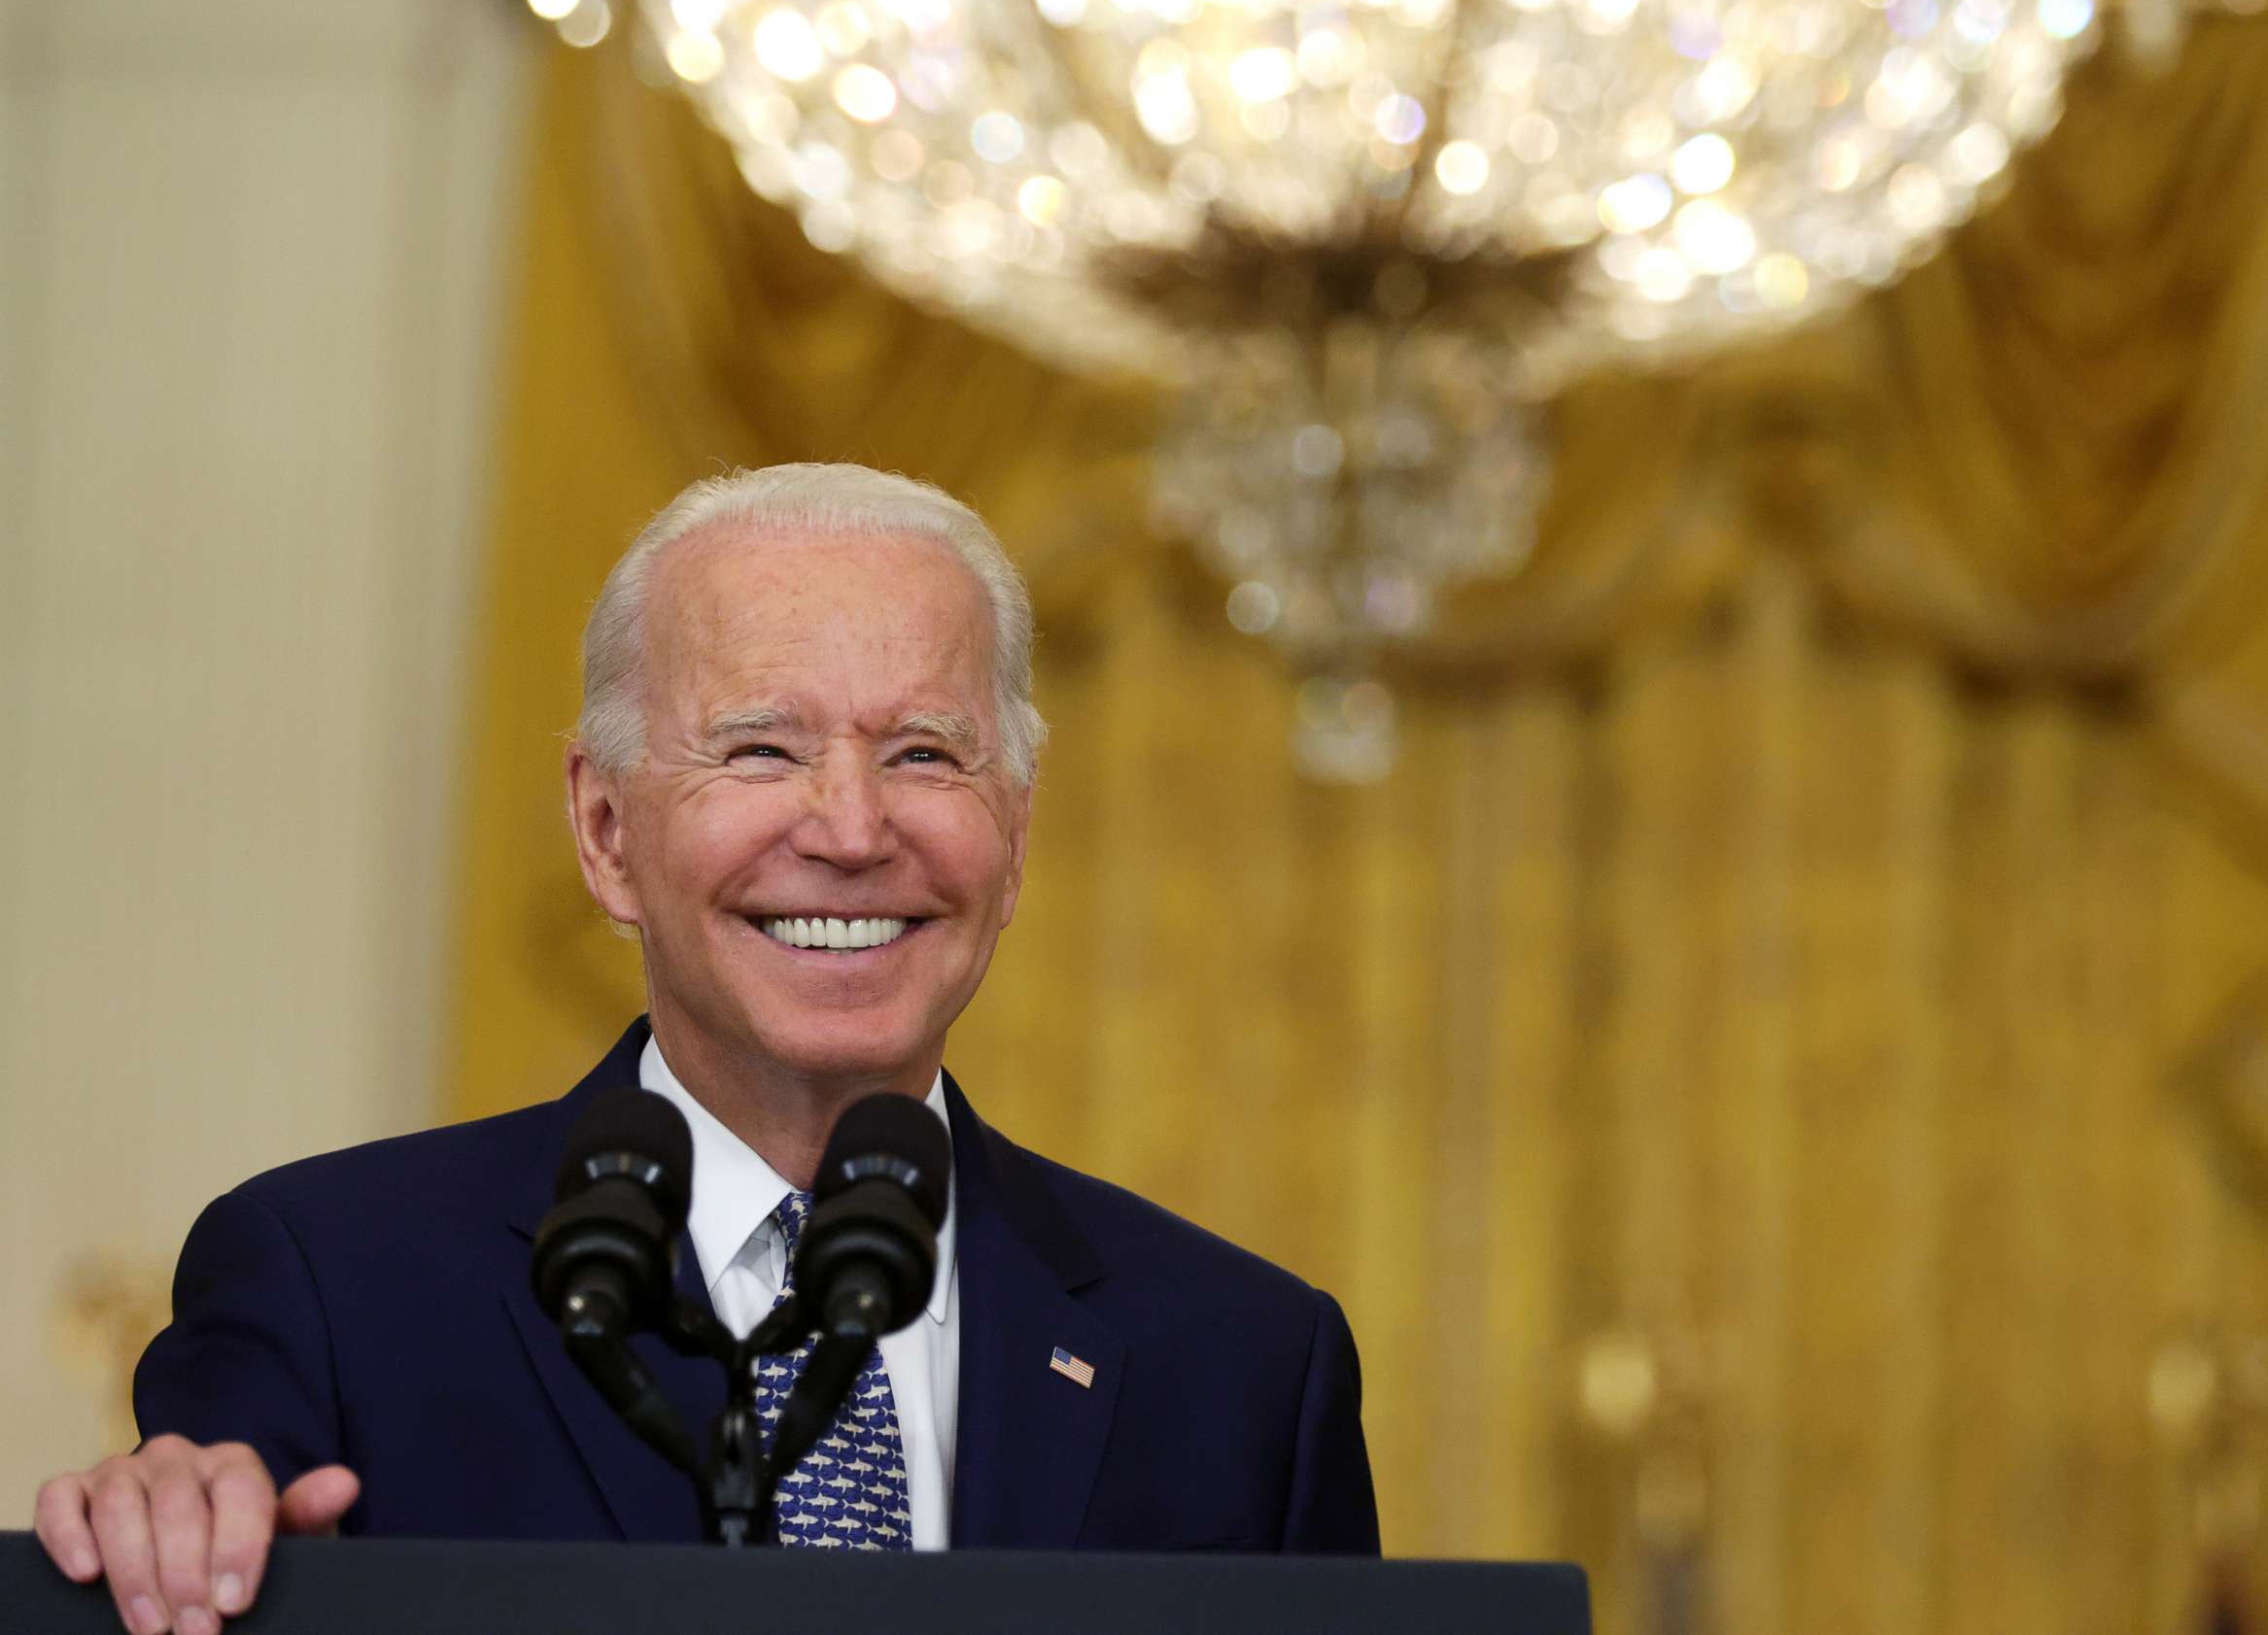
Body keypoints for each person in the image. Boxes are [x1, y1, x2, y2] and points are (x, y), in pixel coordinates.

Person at [31, 464, 1378, 1635]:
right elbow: (193, 1567)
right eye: (760, 747)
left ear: (1015, 837)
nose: (850, 829)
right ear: (607, 832)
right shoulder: (331, 1286)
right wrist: (160, 1563)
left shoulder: (1244, 1362)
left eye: (922, 751)